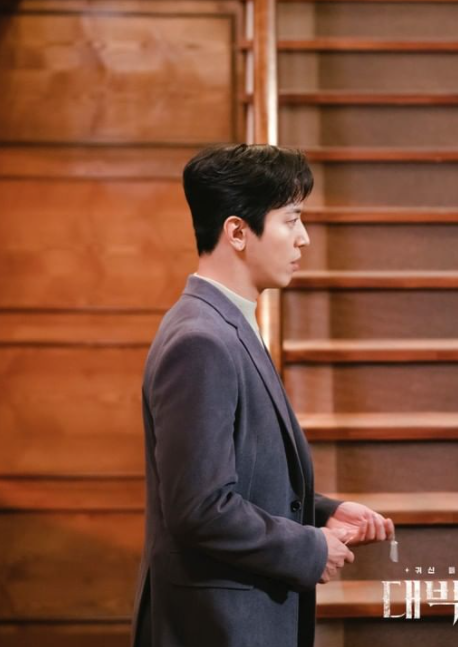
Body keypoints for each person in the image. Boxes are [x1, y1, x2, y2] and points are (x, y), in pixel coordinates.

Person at [131, 144, 394, 647]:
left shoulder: (223, 322)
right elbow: (199, 508)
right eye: (291, 219)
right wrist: (309, 547)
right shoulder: (201, 340)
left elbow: (233, 475)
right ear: (237, 232)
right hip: (218, 625)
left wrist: (320, 512)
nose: (304, 237)